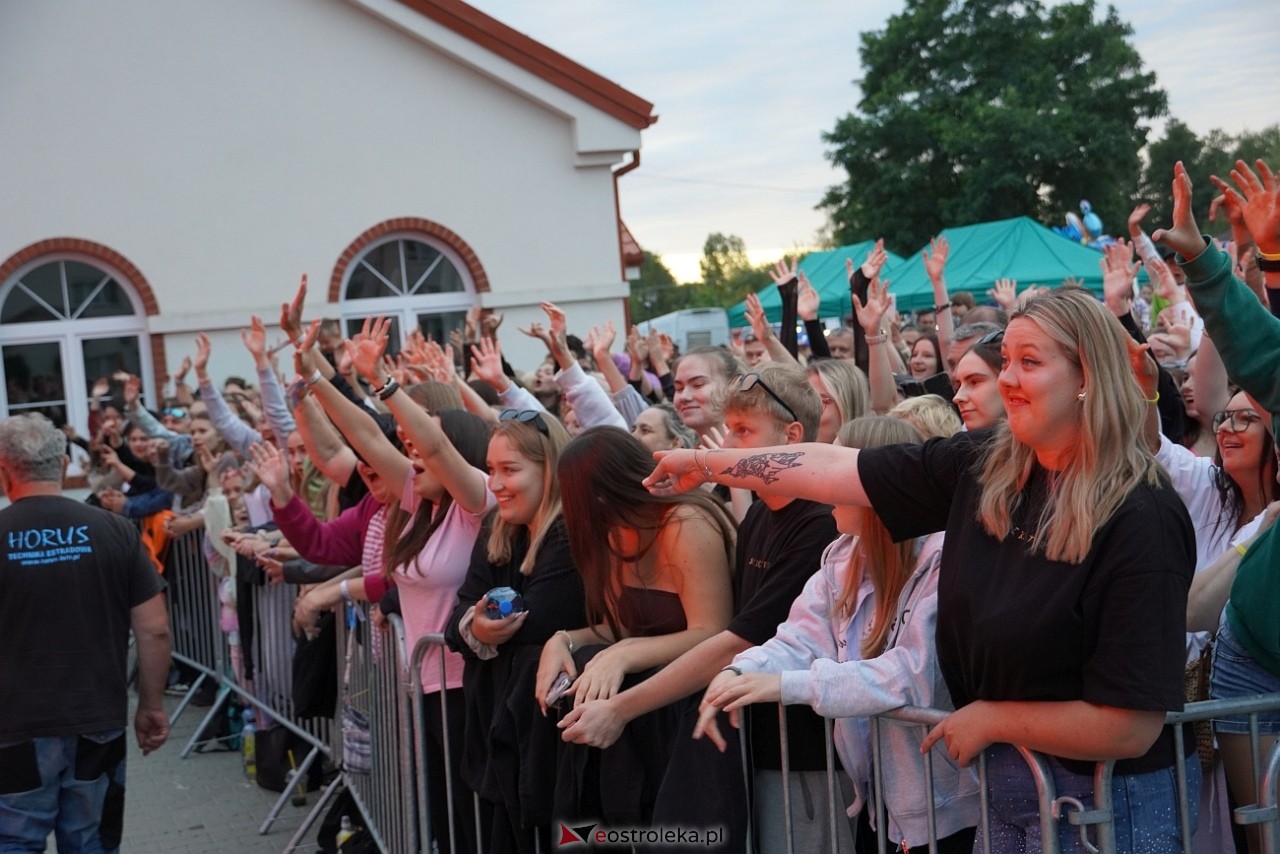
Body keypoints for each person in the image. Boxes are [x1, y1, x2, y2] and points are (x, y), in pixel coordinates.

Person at [646, 288, 1198, 852]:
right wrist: (705, 463)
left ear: (1088, 376)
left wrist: (992, 719)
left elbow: (1130, 726)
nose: (1007, 378)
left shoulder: (1142, 515)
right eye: (1004, 360)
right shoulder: (987, 465)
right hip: (1008, 787)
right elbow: (838, 468)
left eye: (1028, 362)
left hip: (1110, 805)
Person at [560, 360, 841, 852]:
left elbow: (731, 641)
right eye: (728, 428)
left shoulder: (817, 524)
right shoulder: (758, 516)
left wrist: (621, 708)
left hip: (807, 753)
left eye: (744, 430)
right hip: (757, 744)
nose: (729, 442)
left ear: (793, 433)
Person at [695, 416, 979, 853]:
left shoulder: (944, 559)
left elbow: (911, 674)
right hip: (880, 798)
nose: (822, 487)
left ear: (877, 486)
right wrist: (741, 670)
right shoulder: (843, 554)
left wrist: (787, 685)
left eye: (837, 472)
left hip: (954, 806)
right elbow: (801, 637)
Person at [538, 427, 736, 826]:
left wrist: (624, 655)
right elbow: (622, 627)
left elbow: (713, 631)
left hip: (690, 717)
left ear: (600, 494)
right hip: (643, 722)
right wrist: (560, 642)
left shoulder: (685, 520)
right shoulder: (613, 531)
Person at [0, 413, 171, 852]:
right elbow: (153, 631)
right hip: (98, 719)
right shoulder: (114, 530)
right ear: (60, 467)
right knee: (91, 841)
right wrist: (151, 705)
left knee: (15, 841)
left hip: (14, 726)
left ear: (4, 470)